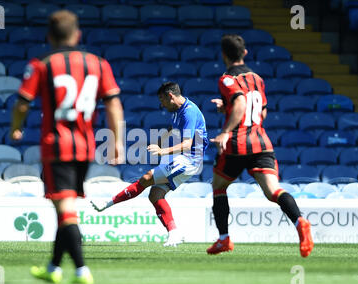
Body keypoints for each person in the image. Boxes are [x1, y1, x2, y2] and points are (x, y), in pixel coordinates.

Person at [10, 10, 125, 284]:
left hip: (56, 146)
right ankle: (52, 268)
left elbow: (23, 101)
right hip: (85, 147)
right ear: (77, 35)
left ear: (49, 37)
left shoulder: (41, 64)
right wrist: (118, 140)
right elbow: (112, 102)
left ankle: (82, 270)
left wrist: (17, 125)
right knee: (65, 208)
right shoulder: (98, 63)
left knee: (66, 211)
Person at [207, 34, 314, 258]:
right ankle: (300, 222)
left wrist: (226, 131)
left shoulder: (226, 79)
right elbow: (261, 111)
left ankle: (224, 239)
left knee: (218, 186)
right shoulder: (257, 78)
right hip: (262, 141)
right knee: (273, 190)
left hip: (237, 143)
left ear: (224, 55)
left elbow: (240, 102)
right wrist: (226, 106)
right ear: (245, 53)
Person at [91, 81, 208, 247]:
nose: (161, 105)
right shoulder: (177, 109)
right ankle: (174, 233)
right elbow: (173, 126)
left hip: (189, 159)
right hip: (182, 158)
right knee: (155, 195)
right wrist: (162, 139)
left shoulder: (188, 113)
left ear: (170, 96)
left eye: (162, 100)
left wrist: (162, 151)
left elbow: (187, 144)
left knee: (147, 178)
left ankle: (107, 203)